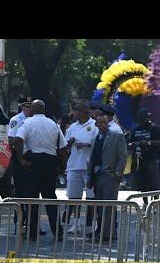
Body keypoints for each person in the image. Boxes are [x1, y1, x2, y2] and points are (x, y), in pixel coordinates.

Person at [15, 100, 68, 239]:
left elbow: (18, 140)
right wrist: (62, 166)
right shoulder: (53, 124)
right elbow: (63, 149)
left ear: (33, 109)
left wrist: (21, 160)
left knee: (32, 199)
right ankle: (58, 232)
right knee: (50, 198)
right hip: (49, 163)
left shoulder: (27, 122)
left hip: (33, 163)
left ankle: (32, 233)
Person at [86, 114, 127, 240]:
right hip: (97, 176)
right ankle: (104, 231)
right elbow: (92, 159)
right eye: (100, 123)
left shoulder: (117, 137)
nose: (103, 125)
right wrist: (89, 177)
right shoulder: (94, 139)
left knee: (108, 206)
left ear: (108, 123)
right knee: (100, 206)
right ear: (96, 125)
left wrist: (119, 172)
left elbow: (122, 156)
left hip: (110, 176)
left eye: (105, 122)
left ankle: (106, 234)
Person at [64, 102, 97, 234]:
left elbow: (98, 144)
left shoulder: (94, 125)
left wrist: (86, 144)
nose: (74, 113)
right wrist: (69, 142)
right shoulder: (72, 127)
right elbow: (65, 146)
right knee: (74, 197)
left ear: (84, 112)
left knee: (91, 197)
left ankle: (93, 224)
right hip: (74, 165)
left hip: (89, 165)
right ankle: (76, 224)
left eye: (76, 110)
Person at [7, 97, 33, 233]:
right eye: (26, 107)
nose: (29, 109)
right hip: (19, 159)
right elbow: (11, 140)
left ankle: (32, 223)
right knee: (20, 193)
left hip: (31, 158)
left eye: (31, 106)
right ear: (22, 107)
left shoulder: (34, 119)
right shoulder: (16, 120)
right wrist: (20, 158)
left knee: (32, 193)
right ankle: (19, 222)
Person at [127, 107, 160, 198]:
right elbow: (129, 142)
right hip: (138, 159)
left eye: (144, 118)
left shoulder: (155, 128)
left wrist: (148, 143)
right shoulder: (135, 130)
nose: (142, 121)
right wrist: (132, 145)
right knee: (141, 180)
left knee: (153, 180)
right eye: (141, 118)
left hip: (152, 159)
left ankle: (155, 202)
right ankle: (145, 201)